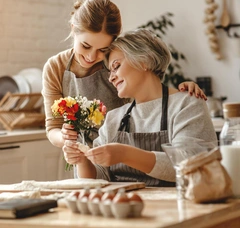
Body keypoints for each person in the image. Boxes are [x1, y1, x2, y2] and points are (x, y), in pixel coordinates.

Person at [42, 0, 207, 178]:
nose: (91, 57)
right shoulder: (113, 118)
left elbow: (151, 89)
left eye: (103, 51)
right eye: (86, 46)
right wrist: (75, 149)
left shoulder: (185, 106)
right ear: (74, 30)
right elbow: (54, 127)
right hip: (94, 166)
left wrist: (181, 92)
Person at [63, 28, 217, 186]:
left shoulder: (186, 104)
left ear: (144, 61)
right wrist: (82, 161)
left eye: (116, 66)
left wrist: (125, 154)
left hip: (178, 206)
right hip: (125, 207)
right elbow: (99, 178)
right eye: (109, 71)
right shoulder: (113, 118)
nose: (111, 77)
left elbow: (189, 165)